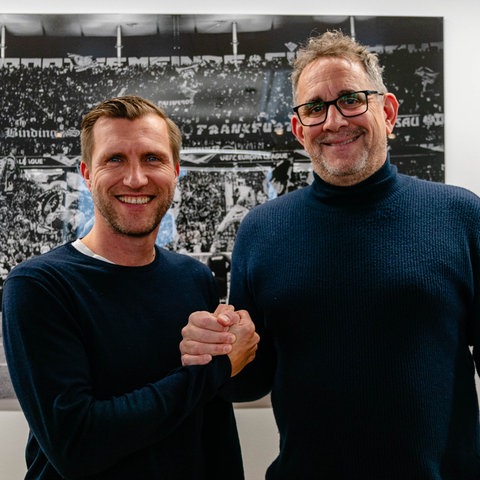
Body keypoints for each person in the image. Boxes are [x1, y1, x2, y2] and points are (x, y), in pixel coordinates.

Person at [180, 30, 480, 479]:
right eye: (315, 108)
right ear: (300, 130)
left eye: (351, 99)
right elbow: (250, 380)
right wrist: (216, 351)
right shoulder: (261, 230)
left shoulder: (462, 215)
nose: (335, 121)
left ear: (389, 111)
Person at [2, 95, 259, 480]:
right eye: (115, 159)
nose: (136, 178)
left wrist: (238, 348)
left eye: (152, 158)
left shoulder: (194, 278)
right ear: (87, 173)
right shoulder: (39, 286)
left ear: (176, 171)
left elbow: (212, 423)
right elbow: (78, 445)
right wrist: (218, 367)